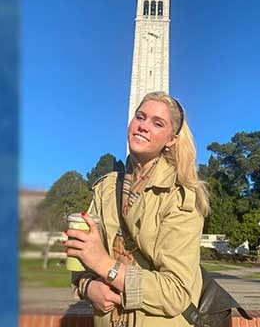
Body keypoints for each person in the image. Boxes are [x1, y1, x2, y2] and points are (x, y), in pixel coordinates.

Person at [64, 91, 211, 327]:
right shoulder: (106, 188)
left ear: (171, 139)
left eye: (157, 123)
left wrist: (104, 265)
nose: (143, 126)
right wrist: (88, 287)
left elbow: (175, 293)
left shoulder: (180, 196)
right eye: (140, 117)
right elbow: (82, 258)